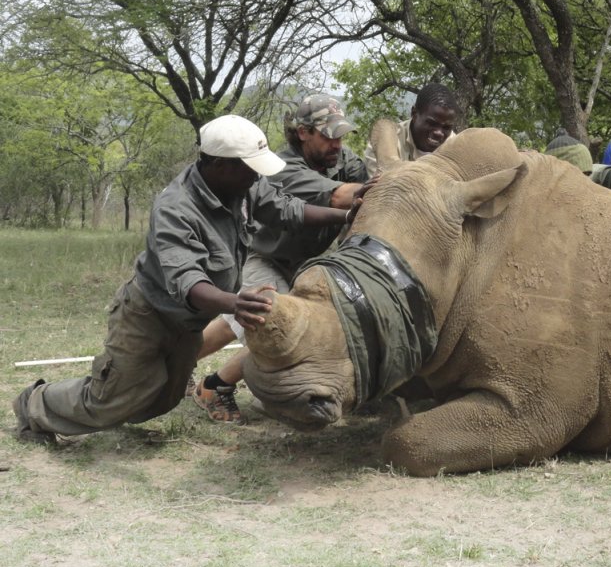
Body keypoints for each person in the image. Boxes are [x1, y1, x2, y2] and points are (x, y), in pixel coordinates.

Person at [11, 115, 355, 444]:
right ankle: (33, 404)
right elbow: (188, 282)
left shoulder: (243, 184)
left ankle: (119, 400)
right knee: (106, 403)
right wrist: (234, 303)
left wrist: (347, 214)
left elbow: (288, 210)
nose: (257, 177)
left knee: (162, 399)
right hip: (147, 317)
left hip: (188, 325)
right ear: (221, 164)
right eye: (251, 168)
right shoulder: (176, 208)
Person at [191, 94, 371, 423]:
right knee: (273, 325)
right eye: (328, 135)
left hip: (303, 266)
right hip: (264, 258)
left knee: (236, 323)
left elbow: (365, 181)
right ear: (303, 133)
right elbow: (341, 196)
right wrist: (395, 190)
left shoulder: (345, 161)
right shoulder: (283, 168)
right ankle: (213, 386)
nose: (337, 144)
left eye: (341, 135)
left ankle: (174, 363)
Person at [364, 82, 459, 174]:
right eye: (432, 123)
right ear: (414, 113)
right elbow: (378, 187)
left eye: (446, 127)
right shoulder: (385, 143)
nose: (439, 133)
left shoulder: (456, 148)